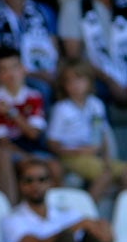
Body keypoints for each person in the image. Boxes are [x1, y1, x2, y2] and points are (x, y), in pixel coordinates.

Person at [2, 157, 117, 242]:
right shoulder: (12, 219)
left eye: (41, 179)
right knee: (65, 239)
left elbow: (106, 238)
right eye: (29, 180)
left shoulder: (65, 214)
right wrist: (81, 225)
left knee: (89, 235)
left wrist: (101, 226)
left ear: (50, 183)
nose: (35, 185)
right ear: (20, 184)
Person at [0, 47, 57, 204]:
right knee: (28, 166)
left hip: (30, 146)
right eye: (4, 69)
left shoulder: (34, 96)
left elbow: (34, 134)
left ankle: (54, 213)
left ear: (23, 69)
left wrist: (11, 113)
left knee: (54, 166)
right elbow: (2, 141)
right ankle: (12, 210)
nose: (11, 74)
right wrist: (26, 157)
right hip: (9, 148)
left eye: (14, 67)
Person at [45, 58, 127, 204]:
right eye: (70, 81)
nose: (76, 85)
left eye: (80, 79)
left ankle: (120, 213)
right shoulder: (61, 108)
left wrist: (106, 158)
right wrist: (77, 151)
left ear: (89, 81)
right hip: (71, 157)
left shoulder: (96, 104)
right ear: (63, 85)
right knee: (104, 175)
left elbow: (102, 135)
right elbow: (52, 143)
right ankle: (87, 213)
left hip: (94, 156)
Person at [58, 0, 127, 107]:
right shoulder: (73, 6)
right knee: (86, 87)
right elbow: (74, 57)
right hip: (96, 77)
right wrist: (110, 81)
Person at [0, 0, 59, 100]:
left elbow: (55, 50)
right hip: (15, 75)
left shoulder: (44, 12)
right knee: (41, 89)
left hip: (48, 70)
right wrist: (35, 74)